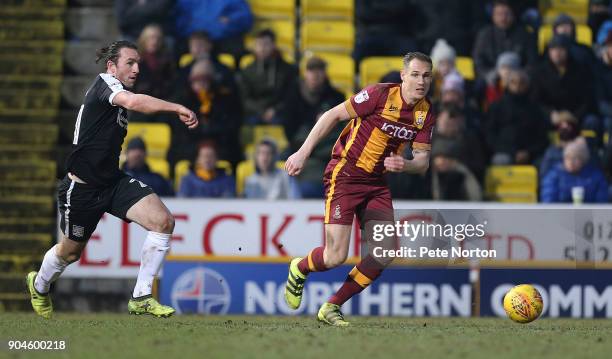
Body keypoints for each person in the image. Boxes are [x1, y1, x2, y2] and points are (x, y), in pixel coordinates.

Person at [26, 40, 198, 319]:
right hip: (81, 188)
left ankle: (141, 296)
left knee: (163, 221)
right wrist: (176, 107)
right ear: (111, 66)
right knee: (69, 254)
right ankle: (39, 284)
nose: (137, 68)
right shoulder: (105, 84)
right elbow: (134, 101)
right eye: (130, 62)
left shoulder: (116, 94)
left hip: (112, 182)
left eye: (138, 63)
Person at [283, 52, 435, 326]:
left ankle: (331, 306)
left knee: (384, 252)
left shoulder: (425, 113)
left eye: (426, 75)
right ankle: (300, 267)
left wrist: (406, 164)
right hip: (345, 175)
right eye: (414, 74)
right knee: (335, 256)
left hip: (376, 184)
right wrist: (303, 153)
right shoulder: (379, 95)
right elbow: (332, 115)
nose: (420, 81)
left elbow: (422, 162)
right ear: (403, 76)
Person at [486, 69, 549, 165]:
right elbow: (490, 135)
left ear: (527, 85)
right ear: (507, 84)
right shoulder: (497, 106)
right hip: (505, 152)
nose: (517, 86)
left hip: (531, 153)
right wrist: (511, 152)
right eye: (513, 82)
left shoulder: (535, 108)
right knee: (501, 161)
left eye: (522, 82)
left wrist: (528, 152)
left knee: (545, 163)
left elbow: (542, 138)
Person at [237, 29, 298, 125]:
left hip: (280, 113)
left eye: (266, 44)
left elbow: (290, 95)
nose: (262, 48)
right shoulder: (247, 71)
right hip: (255, 114)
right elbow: (245, 99)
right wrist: (262, 112)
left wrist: (275, 110)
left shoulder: (287, 70)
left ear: (273, 45)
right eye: (259, 44)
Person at [472, 0, 537, 82]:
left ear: (513, 15)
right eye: (499, 14)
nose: (503, 18)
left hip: (519, 81)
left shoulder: (525, 35)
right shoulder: (484, 35)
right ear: (493, 16)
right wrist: (491, 74)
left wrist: (520, 75)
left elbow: (533, 62)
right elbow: (478, 62)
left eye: (507, 14)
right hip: (491, 79)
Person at [540, 138, 608, 203]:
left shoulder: (595, 176)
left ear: (583, 160)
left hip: (589, 214)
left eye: (575, 158)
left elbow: (601, 200)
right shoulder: (554, 175)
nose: (571, 162)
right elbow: (548, 200)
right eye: (568, 157)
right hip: (560, 213)